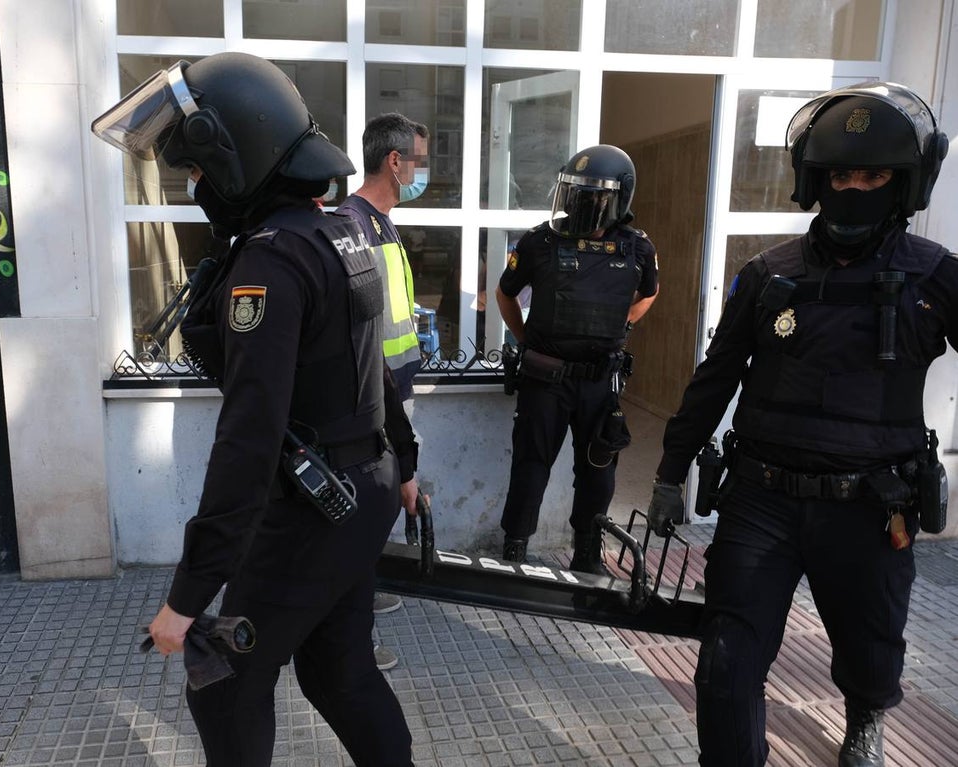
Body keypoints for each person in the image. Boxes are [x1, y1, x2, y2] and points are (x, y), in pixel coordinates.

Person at [93, 52, 416, 766]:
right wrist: (407, 463)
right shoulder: (339, 233)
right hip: (362, 488)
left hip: (315, 508)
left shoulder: (270, 261)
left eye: (198, 168)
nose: (196, 184)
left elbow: (248, 441)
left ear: (240, 157)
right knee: (339, 671)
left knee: (223, 681)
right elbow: (375, 371)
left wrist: (187, 597)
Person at [645, 81, 954, 767]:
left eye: (872, 177)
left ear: (903, 184)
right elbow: (714, 378)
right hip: (762, 501)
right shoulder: (768, 275)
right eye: (841, 176)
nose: (854, 189)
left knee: (871, 648)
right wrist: (669, 472)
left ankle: (866, 718)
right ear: (817, 180)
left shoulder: (935, 278)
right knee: (725, 666)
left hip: (871, 505)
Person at [496, 145, 659, 572]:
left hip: (599, 383)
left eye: (594, 196)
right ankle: (515, 548)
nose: (583, 203)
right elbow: (505, 293)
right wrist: (525, 339)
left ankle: (587, 552)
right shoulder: (540, 241)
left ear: (620, 198)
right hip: (545, 379)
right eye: (577, 193)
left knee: (598, 472)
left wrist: (623, 324)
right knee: (531, 466)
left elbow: (650, 293)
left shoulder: (637, 247)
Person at [337, 112, 430, 669]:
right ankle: (354, 639)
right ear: (395, 162)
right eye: (419, 161)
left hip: (393, 390)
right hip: (375, 400)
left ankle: (364, 591)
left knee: (382, 508)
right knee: (368, 509)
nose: (422, 172)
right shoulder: (352, 225)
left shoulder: (383, 222)